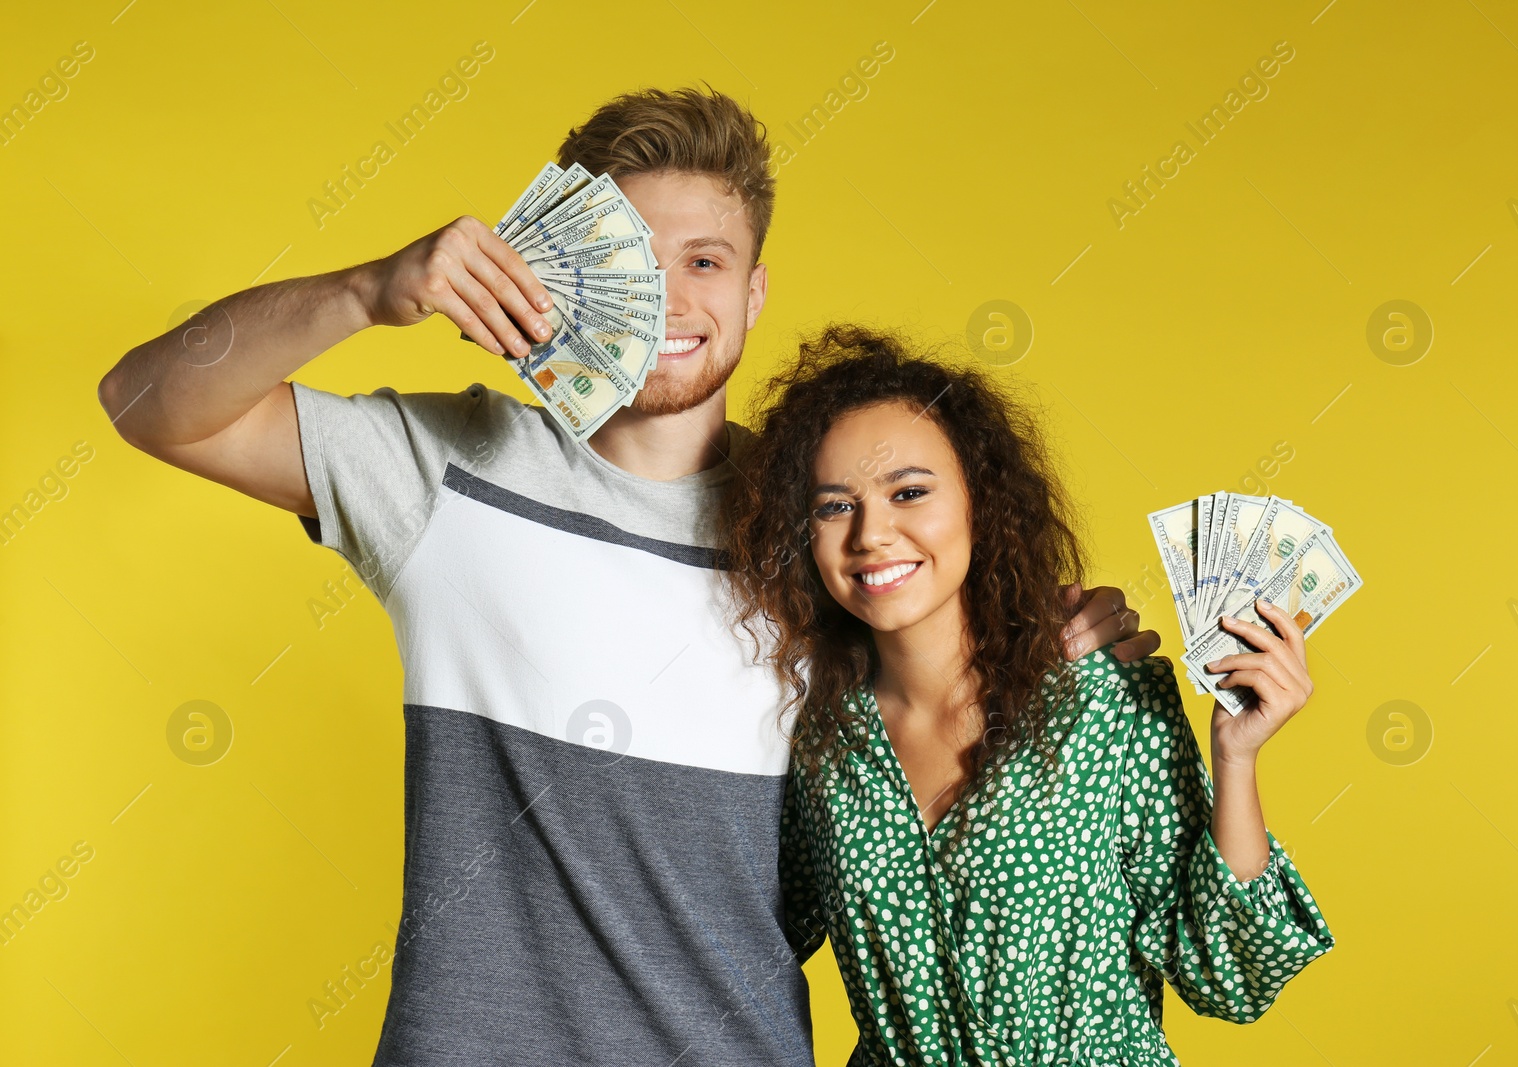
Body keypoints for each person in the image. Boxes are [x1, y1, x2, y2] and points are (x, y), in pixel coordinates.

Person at [95, 88, 1159, 1064]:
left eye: (704, 260)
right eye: (632, 259)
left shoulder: (827, 531)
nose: (668, 294)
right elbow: (145, 401)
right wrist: (370, 291)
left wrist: (1067, 641)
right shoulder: (444, 476)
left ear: (753, 292)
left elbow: (960, 679)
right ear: (567, 270)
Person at [724, 324, 1336, 1066]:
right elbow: (743, 938)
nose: (872, 534)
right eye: (833, 506)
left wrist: (1236, 758)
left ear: (981, 501)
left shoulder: (1103, 700)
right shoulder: (816, 733)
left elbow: (1227, 978)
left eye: (909, 491)